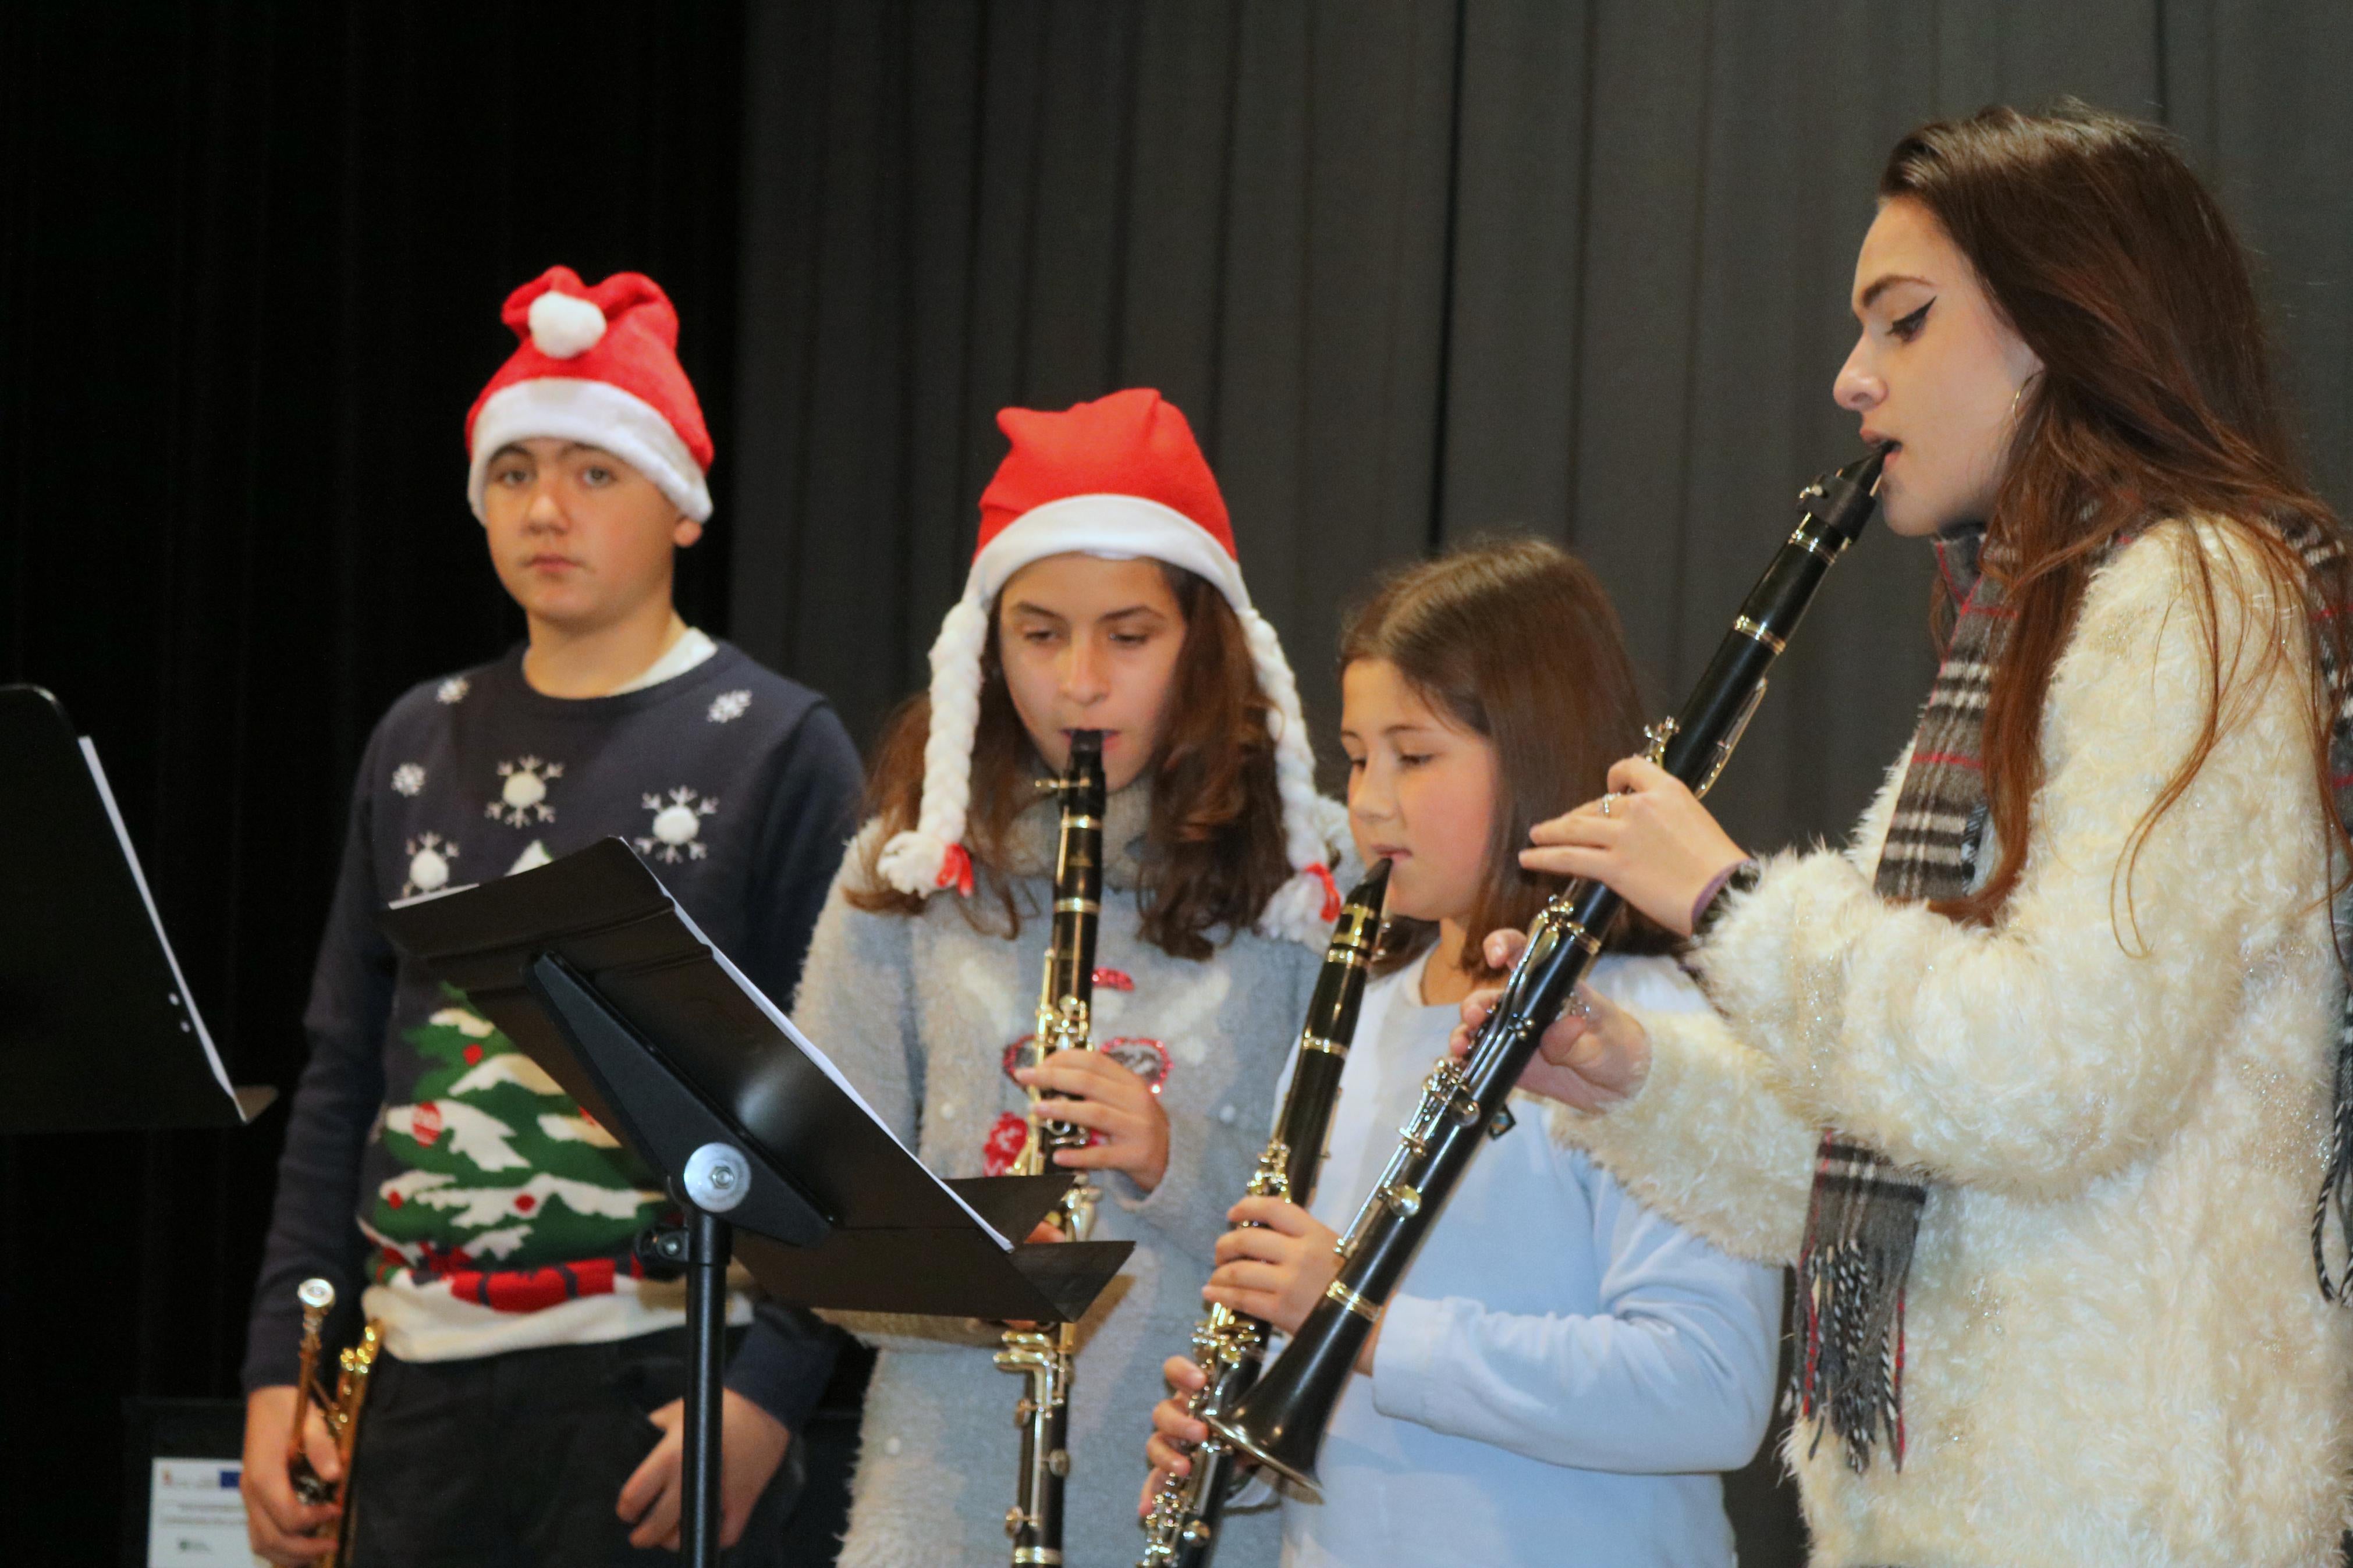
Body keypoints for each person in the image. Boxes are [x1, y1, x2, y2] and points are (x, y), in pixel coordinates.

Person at [1465, 105, 2353, 1565]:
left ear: (2067, 323)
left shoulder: (2199, 597)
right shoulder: (2030, 632)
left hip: (2124, 1523)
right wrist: (1630, 1078)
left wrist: (1733, 906)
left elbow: (2058, 1075)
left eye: (1905, 321)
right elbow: (1904, 1158)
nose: (1852, 378)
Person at [239, 266, 865, 1565]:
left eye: (595, 472)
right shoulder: (420, 738)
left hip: (654, 1380)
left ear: (681, 506)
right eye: (515, 469)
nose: (545, 508)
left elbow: (842, 1101)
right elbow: (346, 1067)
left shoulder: (779, 744)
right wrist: (275, 1365)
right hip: (416, 1386)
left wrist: (764, 1394)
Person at [792, 387, 1352, 1566]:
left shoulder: (1313, 875)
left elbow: (1358, 1220)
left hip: (1203, 1489)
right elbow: (818, 1219)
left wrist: (1168, 1155)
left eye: (1130, 635)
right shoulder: (906, 866)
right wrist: (953, 1270)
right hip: (939, 1488)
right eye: (1039, 633)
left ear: (1206, 639)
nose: (1081, 681)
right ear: (984, 646)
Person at [1141, 540, 1781, 1567]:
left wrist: (1363, 1324)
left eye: (1416, 755)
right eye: (1355, 756)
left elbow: (1711, 1390)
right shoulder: (1355, 1017)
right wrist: (1245, 1437)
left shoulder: (1653, 1037)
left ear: (1537, 755)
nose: (1371, 803)